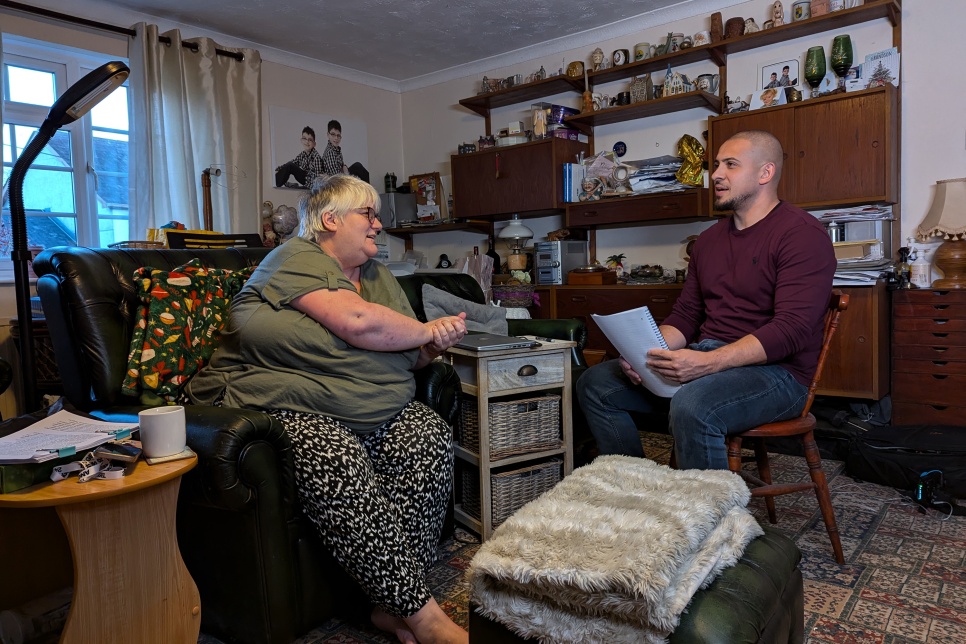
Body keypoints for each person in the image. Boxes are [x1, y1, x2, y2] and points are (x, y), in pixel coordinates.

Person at [186, 174, 469, 644]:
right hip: (283, 402)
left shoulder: (376, 275)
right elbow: (359, 323)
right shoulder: (296, 257)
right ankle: (425, 618)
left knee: (426, 432)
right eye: (368, 214)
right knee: (333, 450)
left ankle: (389, 605)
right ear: (330, 219)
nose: (378, 224)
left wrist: (435, 342)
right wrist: (423, 330)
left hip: (373, 405)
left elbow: (411, 352)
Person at [576, 130, 835, 470]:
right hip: (707, 357)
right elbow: (686, 315)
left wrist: (707, 364)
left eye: (730, 165)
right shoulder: (709, 241)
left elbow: (793, 330)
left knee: (694, 405)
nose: (715, 174)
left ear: (765, 173)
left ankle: (708, 517)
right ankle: (634, 484)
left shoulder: (801, 235)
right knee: (594, 384)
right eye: (715, 165)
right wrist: (642, 356)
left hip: (779, 375)